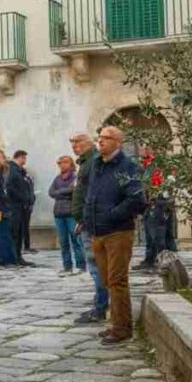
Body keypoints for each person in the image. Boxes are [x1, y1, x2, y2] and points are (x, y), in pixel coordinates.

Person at [84, 126, 146, 345]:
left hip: (118, 231)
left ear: (118, 142)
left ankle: (121, 329)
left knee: (118, 280)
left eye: (106, 138)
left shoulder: (127, 167)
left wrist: (112, 215)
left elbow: (136, 199)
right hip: (98, 231)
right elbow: (90, 194)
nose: (100, 141)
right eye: (99, 137)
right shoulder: (96, 165)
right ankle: (116, 322)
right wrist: (86, 219)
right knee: (107, 280)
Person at [70, 133, 109, 325]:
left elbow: (92, 194)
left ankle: (101, 307)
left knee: (96, 266)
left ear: (88, 143)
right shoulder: (86, 163)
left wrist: (85, 219)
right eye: (73, 144)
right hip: (86, 221)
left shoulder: (92, 163)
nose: (74, 147)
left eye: (77, 143)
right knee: (96, 266)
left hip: (91, 223)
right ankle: (100, 304)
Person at [136, 146, 176, 271]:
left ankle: (165, 260)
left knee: (158, 233)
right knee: (149, 233)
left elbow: (158, 184)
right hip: (151, 203)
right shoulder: (147, 165)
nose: (140, 151)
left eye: (143, 149)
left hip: (158, 203)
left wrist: (154, 198)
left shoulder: (156, 166)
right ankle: (150, 259)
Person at [48, 156, 85, 277]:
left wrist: (60, 192)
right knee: (63, 242)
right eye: (60, 163)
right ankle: (67, 266)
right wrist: (64, 192)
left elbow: (73, 190)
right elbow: (51, 192)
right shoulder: (57, 179)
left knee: (76, 240)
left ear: (71, 164)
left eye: (65, 162)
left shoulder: (75, 177)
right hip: (59, 214)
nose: (62, 165)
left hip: (71, 213)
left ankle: (80, 266)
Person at [6, 150, 35, 267]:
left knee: (19, 232)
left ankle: (18, 256)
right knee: (15, 233)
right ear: (20, 157)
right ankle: (15, 257)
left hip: (21, 206)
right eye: (24, 158)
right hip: (15, 207)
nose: (25, 161)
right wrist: (23, 198)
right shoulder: (13, 170)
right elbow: (10, 188)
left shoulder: (19, 171)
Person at [22, 162, 37, 253]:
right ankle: (24, 246)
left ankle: (27, 246)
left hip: (28, 205)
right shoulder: (22, 179)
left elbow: (31, 191)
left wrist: (32, 201)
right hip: (23, 205)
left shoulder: (28, 179)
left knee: (26, 227)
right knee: (22, 227)